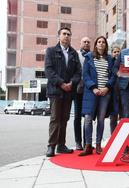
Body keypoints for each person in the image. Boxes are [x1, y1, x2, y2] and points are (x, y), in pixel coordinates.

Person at [45, 27, 81, 157]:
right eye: (64, 34)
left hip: (69, 91)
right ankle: (51, 146)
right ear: (59, 36)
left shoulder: (74, 53)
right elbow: (49, 71)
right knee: (55, 118)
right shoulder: (51, 51)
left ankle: (61, 145)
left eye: (69, 34)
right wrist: (61, 83)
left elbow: (78, 72)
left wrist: (72, 83)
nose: (66, 36)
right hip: (55, 91)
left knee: (64, 119)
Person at [79, 36, 116, 156]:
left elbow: (113, 76)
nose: (101, 44)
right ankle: (88, 145)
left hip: (105, 93)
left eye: (103, 42)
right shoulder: (89, 57)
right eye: (99, 42)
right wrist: (93, 88)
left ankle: (99, 144)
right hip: (91, 92)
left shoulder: (110, 59)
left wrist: (107, 87)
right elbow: (85, 75)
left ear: (106, 45)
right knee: (88, 119)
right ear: (95, 44)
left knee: (101, 119)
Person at [73, 36, 91, 150]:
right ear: (80, 43)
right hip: (77, 90)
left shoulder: (92, 56)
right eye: (84, 41)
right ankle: (78, 142)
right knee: (77, 117)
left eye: (88, 42)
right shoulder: (76, 54)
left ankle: (87, 142)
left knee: (88, 117)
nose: (86, 43)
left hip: (89, 90)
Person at [109, 45, 121, 134]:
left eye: (118, 52)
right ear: (111, 53)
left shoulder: (123, 64)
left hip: (122, 93)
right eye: (115, 52)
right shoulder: (109, 64)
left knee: (123, 117)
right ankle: (113, 136)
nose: (117, 53)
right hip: (112, 94)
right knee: (113, 117)